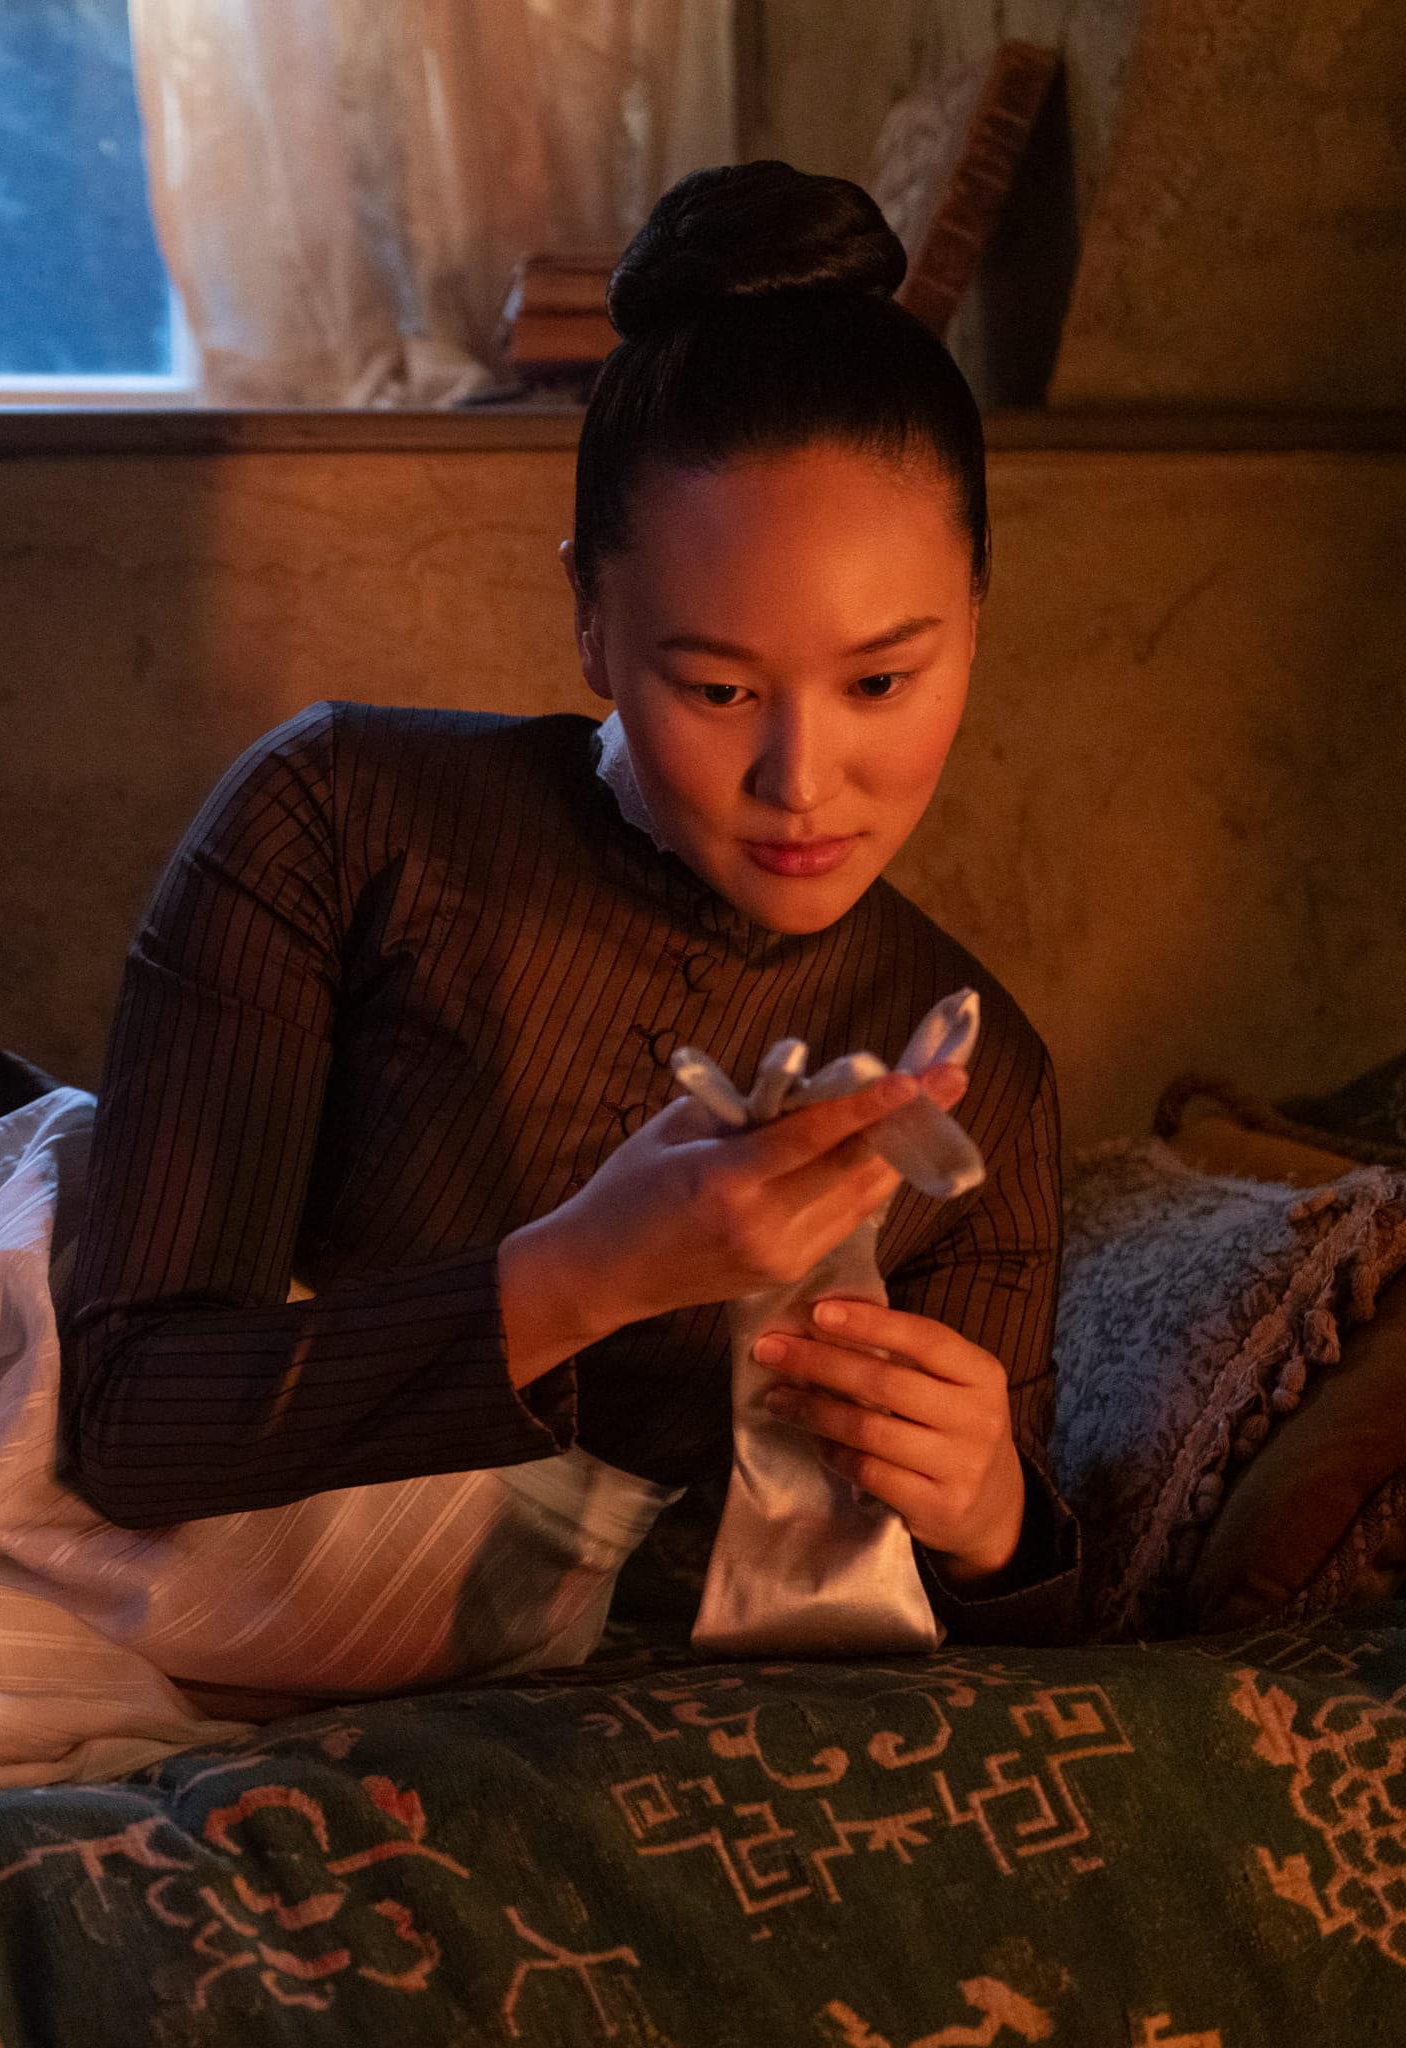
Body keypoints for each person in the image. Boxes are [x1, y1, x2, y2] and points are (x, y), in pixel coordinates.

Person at [56, 159, 1081, 1660]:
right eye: (718, 688)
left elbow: (989, 1668)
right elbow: (130, 1425)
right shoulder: (341, 819)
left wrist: (993, 1515)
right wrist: (585, 1273)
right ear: (591, 622)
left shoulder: (980, 1077)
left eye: (882, 682)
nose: (802, 779)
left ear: (975, 624)